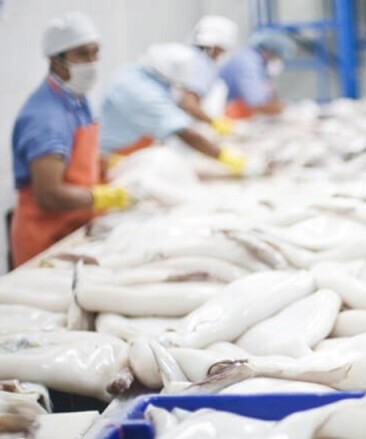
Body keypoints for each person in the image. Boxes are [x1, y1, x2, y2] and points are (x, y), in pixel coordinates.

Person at [10, 12, 129, 267]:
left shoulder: (77, 99)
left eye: (95, 52)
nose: (92, 61)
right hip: (46, 240)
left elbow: (73, 156)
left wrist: (110, 162)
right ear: (57, 60)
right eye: (82, 54)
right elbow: (48, 194)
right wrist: (103, 197)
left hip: (74, 228)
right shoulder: (45, 116)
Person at [100, 43, 253, 176]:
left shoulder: (136, 74)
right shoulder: (142, 91)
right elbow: (184, 133)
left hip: (126, 150)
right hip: (113, 159)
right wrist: (228, 158)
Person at [219, 28, 297, 119]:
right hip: (225, 115)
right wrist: (284, 109)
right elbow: (256, 103)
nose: (278, 62)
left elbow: (266, 94)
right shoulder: (248, 63)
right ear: (268, 52)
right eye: (277, 57)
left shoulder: (257, 63)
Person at [183, 15, 239, 136]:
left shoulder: (194, 59)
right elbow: (190, 104)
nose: (222, 55)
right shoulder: (199, 64)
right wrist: (214, 123)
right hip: (188, 132)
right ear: (214, 47)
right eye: (222, 50)